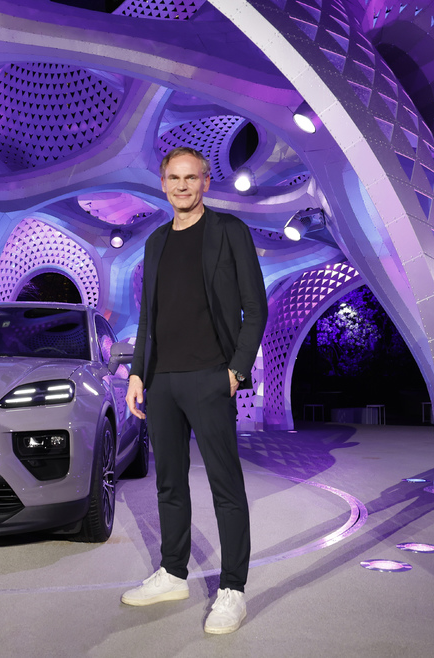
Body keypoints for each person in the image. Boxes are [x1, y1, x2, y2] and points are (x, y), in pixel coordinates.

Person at [121, 147, 267, 635]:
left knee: (226, 486)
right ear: (163, 183)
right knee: (169, 483)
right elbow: (149, 316)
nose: (182, 186)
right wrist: (138, 374)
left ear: (205, 181)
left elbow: (255, 307)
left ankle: (233, 590)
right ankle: (173, 573)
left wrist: (236, 371)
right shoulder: (156, 241)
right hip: (162, 380)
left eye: (191, 178)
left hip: (211, 375)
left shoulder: (229, 231)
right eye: (174, 178)